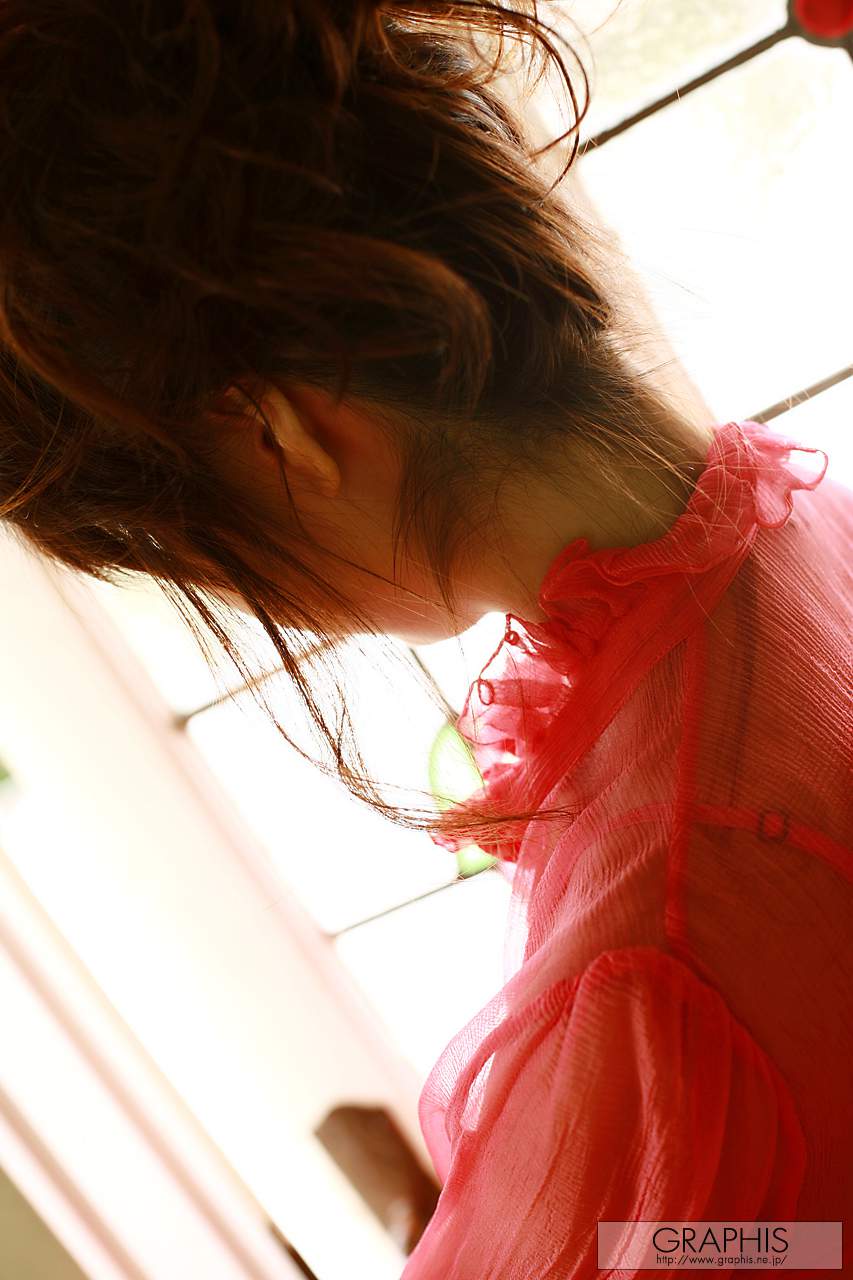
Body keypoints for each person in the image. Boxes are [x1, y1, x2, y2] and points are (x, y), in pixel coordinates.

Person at [1, 3, 850, 1275]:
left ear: (282, 436)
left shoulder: (663, 936)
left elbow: (762, 1242)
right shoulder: (798, 522)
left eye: (178, 553)